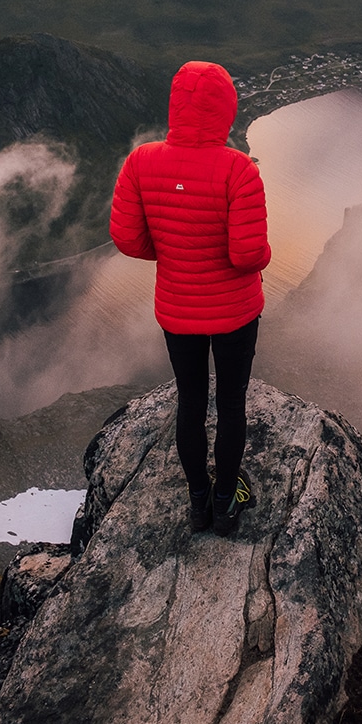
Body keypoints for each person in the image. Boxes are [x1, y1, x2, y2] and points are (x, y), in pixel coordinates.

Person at [110, 60, 271, 537]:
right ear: (226, 110)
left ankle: (198, 500)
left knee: (191, 402)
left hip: (177, 310)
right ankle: (226, 504)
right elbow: (247, 255)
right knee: (232, 403)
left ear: (175, 106)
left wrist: (173, 252)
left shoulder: (141, 162)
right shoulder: (238, 170)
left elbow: (126, 239)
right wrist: (266, 252)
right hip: (235, 314)